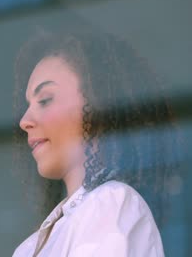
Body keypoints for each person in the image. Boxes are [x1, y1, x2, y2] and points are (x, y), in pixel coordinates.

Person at [12, 28, 182, 257]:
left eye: (45, 100)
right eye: (27, 106)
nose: (24, 121)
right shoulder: (29, 247)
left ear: (98, 105)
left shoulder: (110, 204)